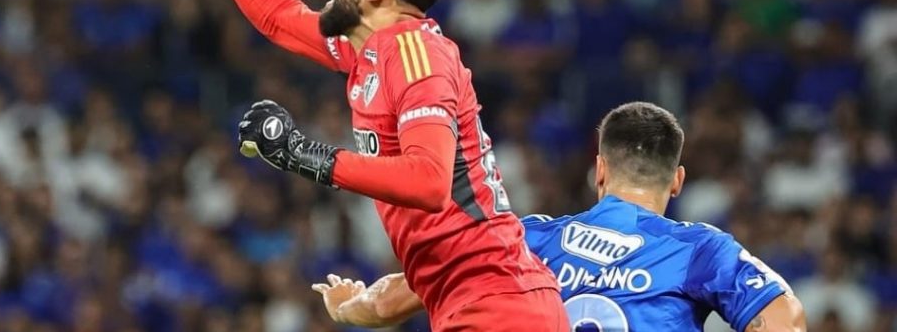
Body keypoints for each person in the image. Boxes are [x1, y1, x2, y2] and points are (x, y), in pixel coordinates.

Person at [137, 0, 568, 331]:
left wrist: (305, 155)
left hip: (501, 308)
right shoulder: (372, 53)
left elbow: (428, 181)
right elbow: (281, 18)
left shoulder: (415, 53)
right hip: (482, 304)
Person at [312, 102, 807, 331]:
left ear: (599, 170)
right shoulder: (700, 248)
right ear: (676, 181)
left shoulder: (527, 238)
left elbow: (397, 297)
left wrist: (346, 304)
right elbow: (786, 318)